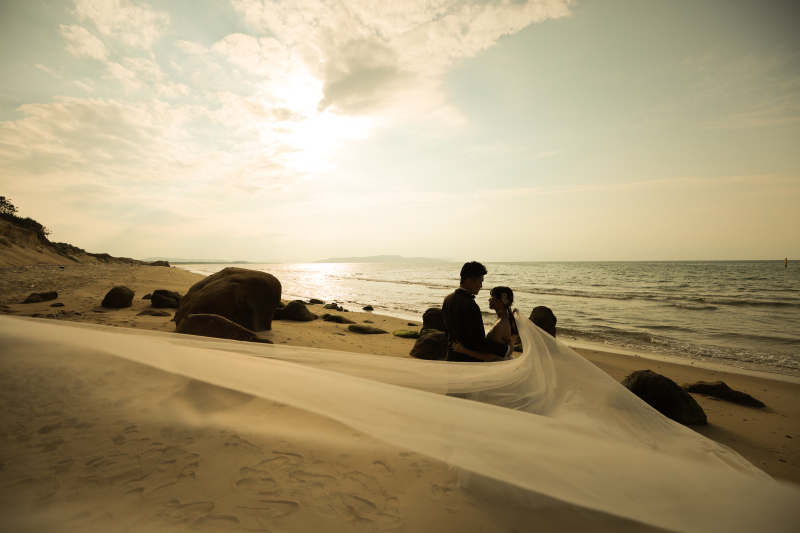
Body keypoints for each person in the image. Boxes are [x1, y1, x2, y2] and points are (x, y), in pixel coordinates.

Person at [442, 262, 513, 362]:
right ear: (469, 281)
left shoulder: (447, 299)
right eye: (480, 282)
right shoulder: (470, 305)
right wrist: (506, 349)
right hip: (469, 362)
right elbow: (478, 341)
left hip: (451, 357)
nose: (481, 286)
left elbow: (447, 331)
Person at [451, 286, 519, 362]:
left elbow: (488, 357)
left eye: (492, 296)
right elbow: (512, 341)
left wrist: (463, 350)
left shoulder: (500, 325)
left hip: (497, 366)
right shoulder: (511, 319)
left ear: (500, 300)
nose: (489, 299)